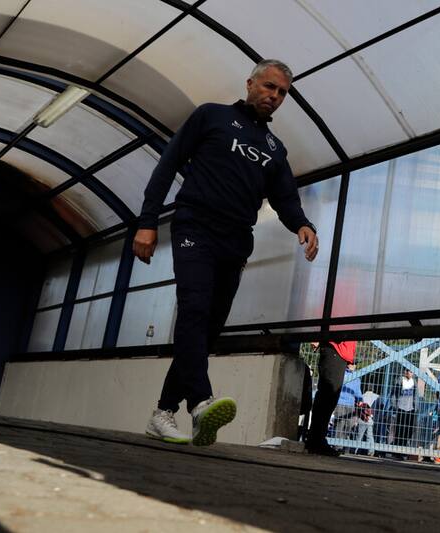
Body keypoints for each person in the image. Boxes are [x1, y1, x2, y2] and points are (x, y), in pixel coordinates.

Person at [135, 59, 319, 446]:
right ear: (250, 83)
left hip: (235, 242)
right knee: (194, 308)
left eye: (282, 93)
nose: (275, 96)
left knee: (206, 331)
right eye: (269, 87)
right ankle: (201, 402)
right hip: (195, 227)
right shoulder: (211, 117)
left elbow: (285, 197)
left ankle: (162, 412)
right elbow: (168, 165)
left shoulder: (274, 148)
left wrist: (303, 224)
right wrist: (147, 221)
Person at [305, 340, 358, 456]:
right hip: (336, 348)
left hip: (338, 350)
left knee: (328, 397)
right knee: (327, 396)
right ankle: (316, 440)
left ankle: (316, 439)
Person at [393, 368, 417, 453]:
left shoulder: (414, 382)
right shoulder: (400, 380)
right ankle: (397, 448)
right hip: (401, 407)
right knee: (400, 429)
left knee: (408, 430)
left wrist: (415, 406)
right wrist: (394, 405)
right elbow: (395, 392)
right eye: (407, 371)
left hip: (410, 408)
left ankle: (404, 448)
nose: (409, 373)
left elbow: (415, 394)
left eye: (411, 371)